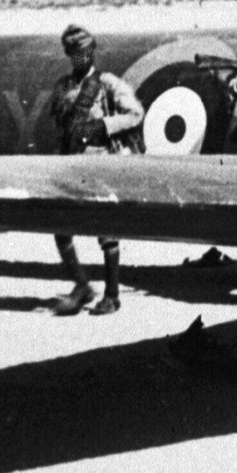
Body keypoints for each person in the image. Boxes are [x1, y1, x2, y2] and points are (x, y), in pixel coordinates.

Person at [49, 23, 145, 315]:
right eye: (77, 53)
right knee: (61, 230)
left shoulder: (107, 84)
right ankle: (82, 286)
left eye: (87, 52)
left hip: (101, 162)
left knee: (106, 231)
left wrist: (103, 126)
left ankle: (112, 295)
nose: (83, 58)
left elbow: (135, 113)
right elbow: (59, 121)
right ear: (70, 56)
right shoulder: (63, 87)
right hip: (72, 163)